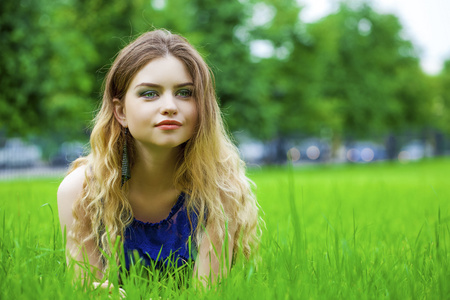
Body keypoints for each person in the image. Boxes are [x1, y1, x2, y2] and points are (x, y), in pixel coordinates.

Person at [57, 29, 260, 289]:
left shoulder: (221, 191)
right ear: (121, 112)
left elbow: (205, 293)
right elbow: (87, 288)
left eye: (185, 93)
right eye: (150, 93)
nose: (170, 106)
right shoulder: (80, 192)